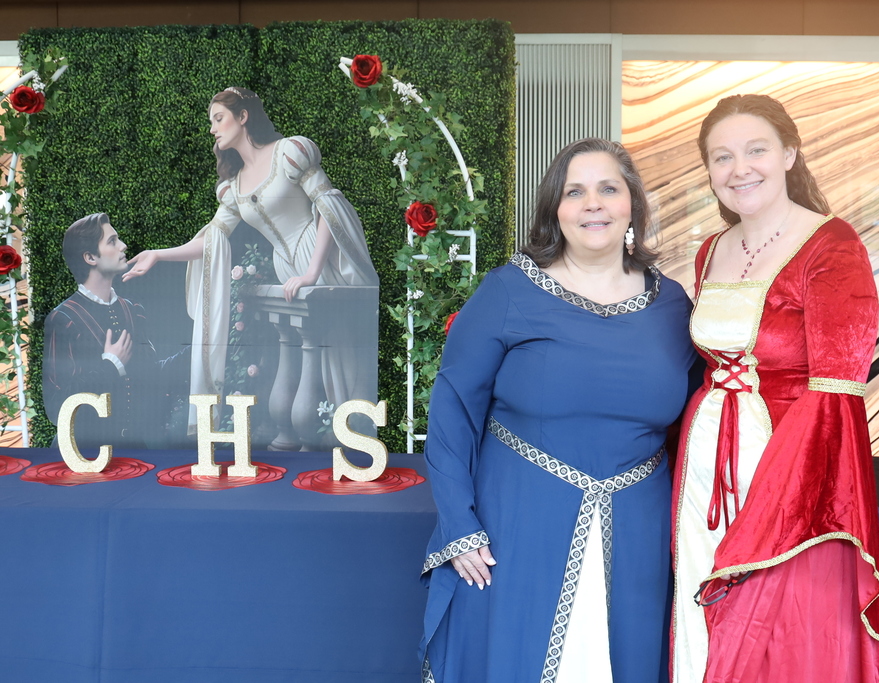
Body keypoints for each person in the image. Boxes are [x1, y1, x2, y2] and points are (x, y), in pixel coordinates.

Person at [420, 138, 697, 682]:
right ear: (555, 210)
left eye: (608, 189)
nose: (593, 204)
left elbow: (698, 418)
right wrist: (459, 524)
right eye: (575, 192)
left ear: (632, 206)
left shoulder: (673, 305)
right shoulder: (508, 291)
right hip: (518, 522)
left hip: (640, 530)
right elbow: (452, 409)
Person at [671, 94, 879, 683]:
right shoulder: (709, 251)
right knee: (702, 595)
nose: (738, 168)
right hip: (707, 463)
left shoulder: (832, 243)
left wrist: (779, 498)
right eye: (721, 157)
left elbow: (836, 387)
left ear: (790, 153)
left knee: (778, 616)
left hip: (793, 464)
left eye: (755, 150)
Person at [121, 87, 378, 430]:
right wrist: (157, 255)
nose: (212, 128)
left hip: (320, 259)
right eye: (211, 121)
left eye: (218, 118)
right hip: (288, 268)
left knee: (343, 348)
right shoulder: (234, 185)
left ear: (243, 117)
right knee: (320, 353)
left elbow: (327, 208)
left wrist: (312, 272)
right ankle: (329, 432)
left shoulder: (290, 152)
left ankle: (353, 429)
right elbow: (212, 238)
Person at [43, 213, 165, 447]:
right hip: (84, 454)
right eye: (112, 241)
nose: (123, 246)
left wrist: (197, 350)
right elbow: (56, 405)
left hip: (135, 449)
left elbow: (152, 374)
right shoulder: (64, 318)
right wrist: (110, 365)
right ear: (90, 257)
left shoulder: (132, 310)